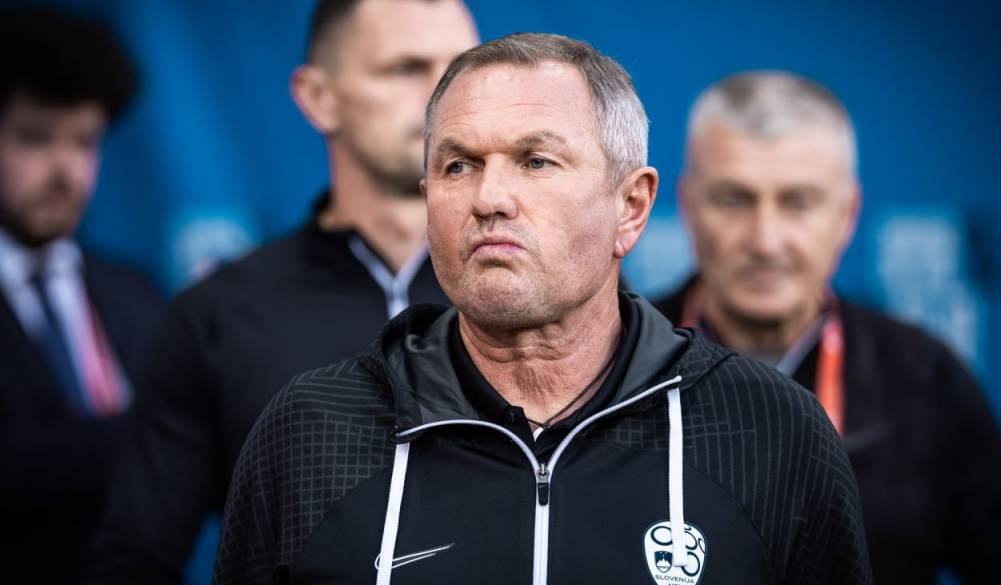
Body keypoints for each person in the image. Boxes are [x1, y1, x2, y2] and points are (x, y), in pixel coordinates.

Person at [214, 33, 873, 585]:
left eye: (535, 161)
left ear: (631, 207)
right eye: (458, 166)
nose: (489, 198)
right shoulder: (312, 430)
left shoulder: (766, 427)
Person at [88, 1, 478, 582]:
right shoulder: (218, 316)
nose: (444, 99)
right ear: (318, 97)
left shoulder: (534, 297)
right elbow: (134, 560)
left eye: (460, 70)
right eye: (405, 68)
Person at [654, 71, 1001, 584]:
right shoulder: (612, 361)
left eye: (797, 202)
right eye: (734, 200)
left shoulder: (925, 378)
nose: (766, 240)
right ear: (688, 205)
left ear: (848, 213)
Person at [0, 7, 165, 584]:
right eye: (35, 138)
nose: (65, 168)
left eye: (85, 141)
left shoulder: (135, 291)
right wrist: (159, 433)